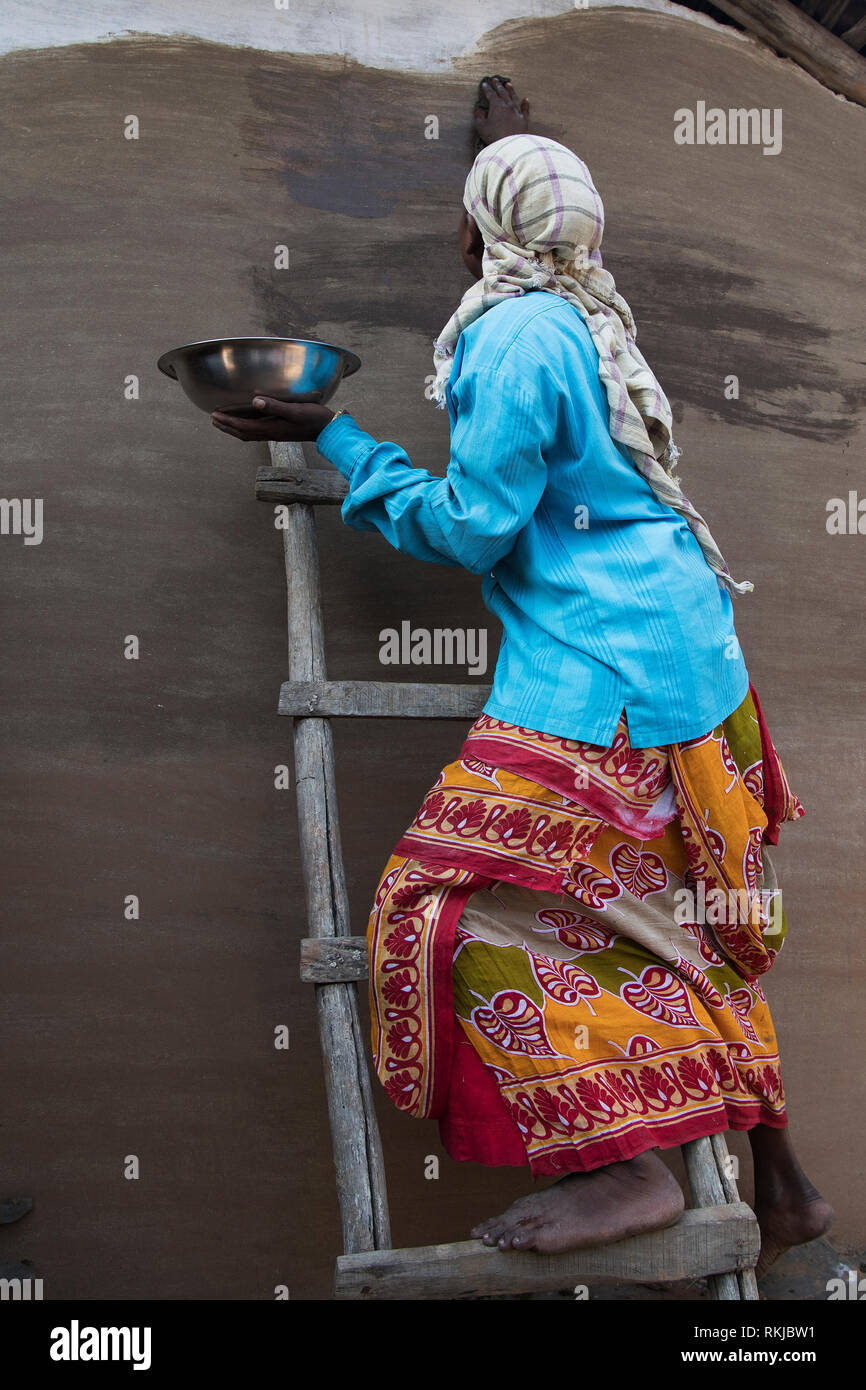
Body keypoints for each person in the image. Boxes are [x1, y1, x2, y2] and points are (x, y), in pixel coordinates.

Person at [213, 79, 832, 1274]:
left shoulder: (510, 333)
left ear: (470, 233)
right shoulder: (596, 314)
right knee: (692, 931)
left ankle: (620, 1167)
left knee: (432, 910)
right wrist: (519, 152)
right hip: (699, 673)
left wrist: (335, 436)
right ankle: (784, 1185)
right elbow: (546, 228)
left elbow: (473, 525)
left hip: (598, 683)